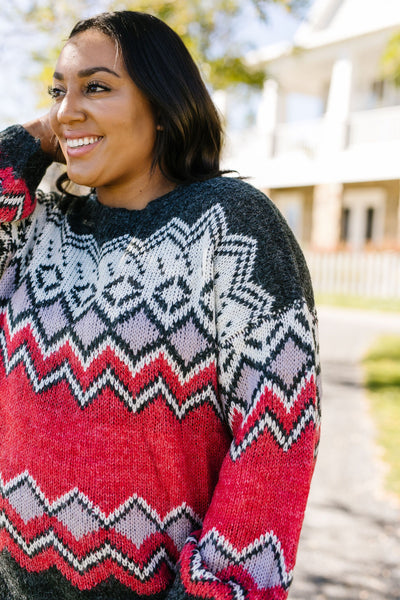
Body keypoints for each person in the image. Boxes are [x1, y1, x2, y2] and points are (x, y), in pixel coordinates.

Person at [0, 10, 321, 600]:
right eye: (58, 90)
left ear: (164, 103)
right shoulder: (37, 225)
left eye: (97, 86)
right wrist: (42, 133)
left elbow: (277, 438)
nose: (67, 106)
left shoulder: (234, 226)